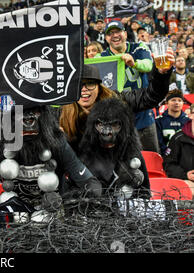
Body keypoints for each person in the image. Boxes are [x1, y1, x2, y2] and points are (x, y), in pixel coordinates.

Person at [59, 63, 174, 199]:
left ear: (99, 86)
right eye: (79, 85)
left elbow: (150, 97)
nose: (84, 90)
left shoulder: (117, 101)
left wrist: (161, 75)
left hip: (121, 170)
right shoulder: (62, 112)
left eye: (90, 84)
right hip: (83, 176)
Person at [101, 20, 160, 154]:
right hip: (117, 120)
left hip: (143, 116)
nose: (115, 35)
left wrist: (134, 63)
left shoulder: (139, 47)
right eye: (110, 33)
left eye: (118, 32)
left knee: (152, 157)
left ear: (125, 34)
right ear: (106, 38)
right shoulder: (102, 57)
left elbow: (148, 65)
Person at [163, 103, 194, 198]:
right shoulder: (178, 138)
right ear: (191, 115)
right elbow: (168, 164)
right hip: (185, 181)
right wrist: (186, 175)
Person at [155, 88, 190, 155]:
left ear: (183, 103)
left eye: (179, 100)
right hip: (166, 158)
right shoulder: (158, 121)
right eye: (173, 100)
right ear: (167, 103)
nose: (176, 103)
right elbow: (159, 144)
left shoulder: (189, 121)